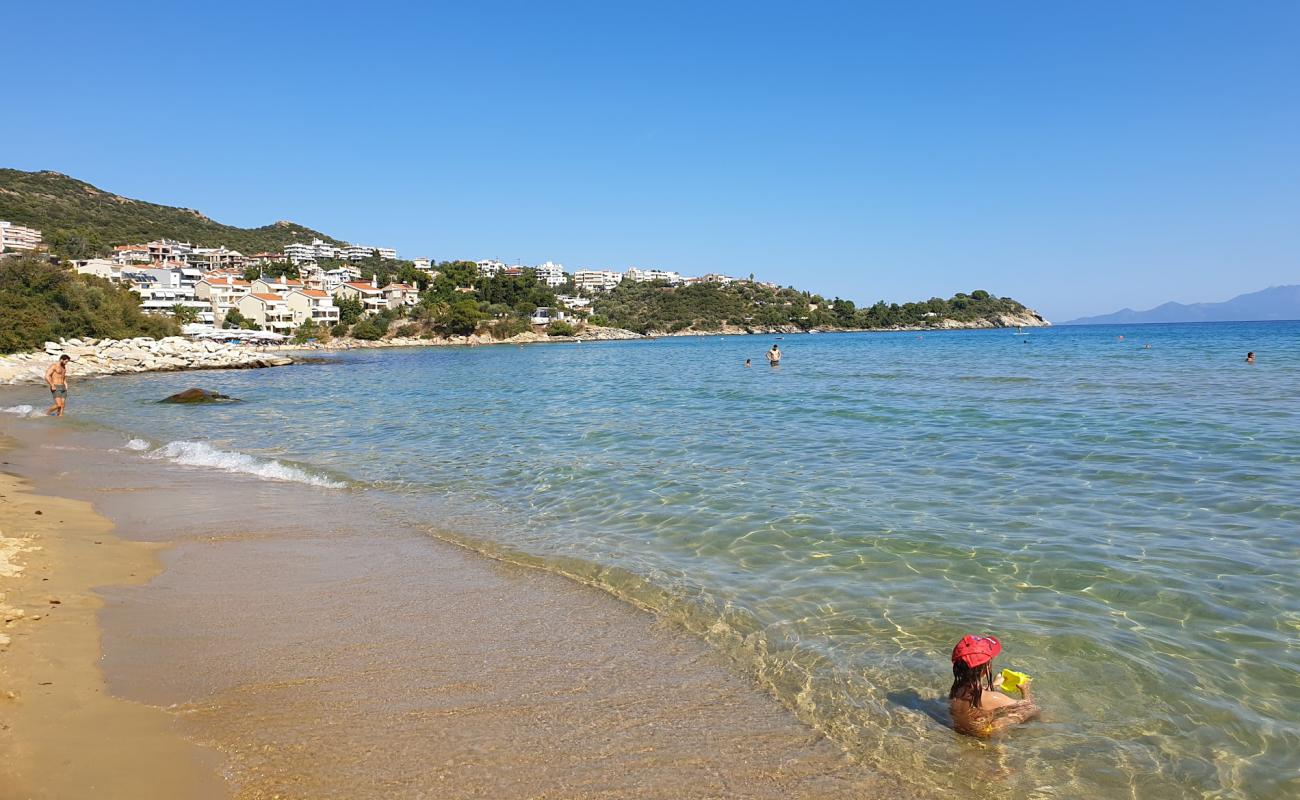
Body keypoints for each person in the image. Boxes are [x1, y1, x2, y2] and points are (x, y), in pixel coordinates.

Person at [948, 634, 1038, 737]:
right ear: (984, 670)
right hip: (984, 735)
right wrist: (1025, 690)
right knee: (1029, 711)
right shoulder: (994, 698)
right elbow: (1028, 707)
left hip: (964, 730)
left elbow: (977, 693)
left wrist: (995, 684)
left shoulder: (956, 690)